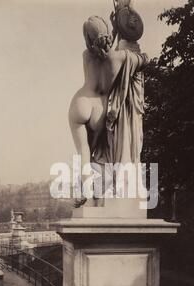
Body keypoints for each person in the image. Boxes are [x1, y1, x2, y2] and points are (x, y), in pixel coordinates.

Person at [69, 15, 149, 207]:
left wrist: (112, 31)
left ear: (88, 38)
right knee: (98, 152)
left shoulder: (86, 55)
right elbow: (144, 60)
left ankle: (84, 192)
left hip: (81, 102)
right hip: (101, 107)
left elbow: (98, 47)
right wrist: (120, 28)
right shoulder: (119, 58)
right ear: (107, 34)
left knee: (84, 153)